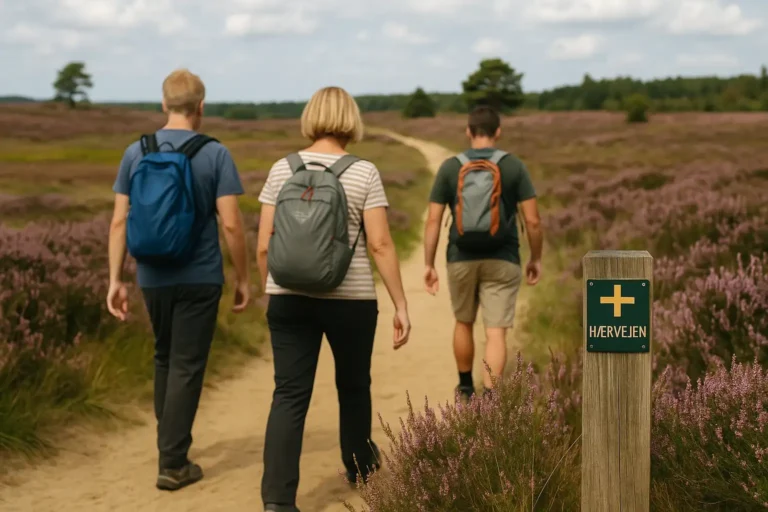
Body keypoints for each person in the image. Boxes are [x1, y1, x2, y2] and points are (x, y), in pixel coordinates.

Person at [256, 86, 411, 512]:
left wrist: (270, 291)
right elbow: (380, 244)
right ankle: (359, 467)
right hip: (352, 299)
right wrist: (400, 304)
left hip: (287, 298)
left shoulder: (280, 169)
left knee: (288, 394)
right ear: (351, 120)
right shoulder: (364, 172)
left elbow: (264, 246)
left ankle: (278, 500)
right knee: (354, 385)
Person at [106, 68, 250, 491]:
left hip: (152, 275)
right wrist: (243, 277)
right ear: (200, 107)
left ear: (164, 105)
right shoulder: (215, 153)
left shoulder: (137, 151)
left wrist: (115, 279)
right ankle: (172, 462)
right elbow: (231, 225)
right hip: (201, 275)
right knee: (187, 364)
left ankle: (169, 443)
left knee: (165, 357)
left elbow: (119, 222)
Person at [423, 105, 543, 401]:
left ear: (469, 131)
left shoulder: (451, 167)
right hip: (504, 258)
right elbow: (533, 221)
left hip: (460, 257)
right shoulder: (514, 166)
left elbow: (433, 220)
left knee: (463, 321)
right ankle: (490, 397)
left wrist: (429, 263)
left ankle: (465, 388)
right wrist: (535, 258)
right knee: (496, 331)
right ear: (497, 131)